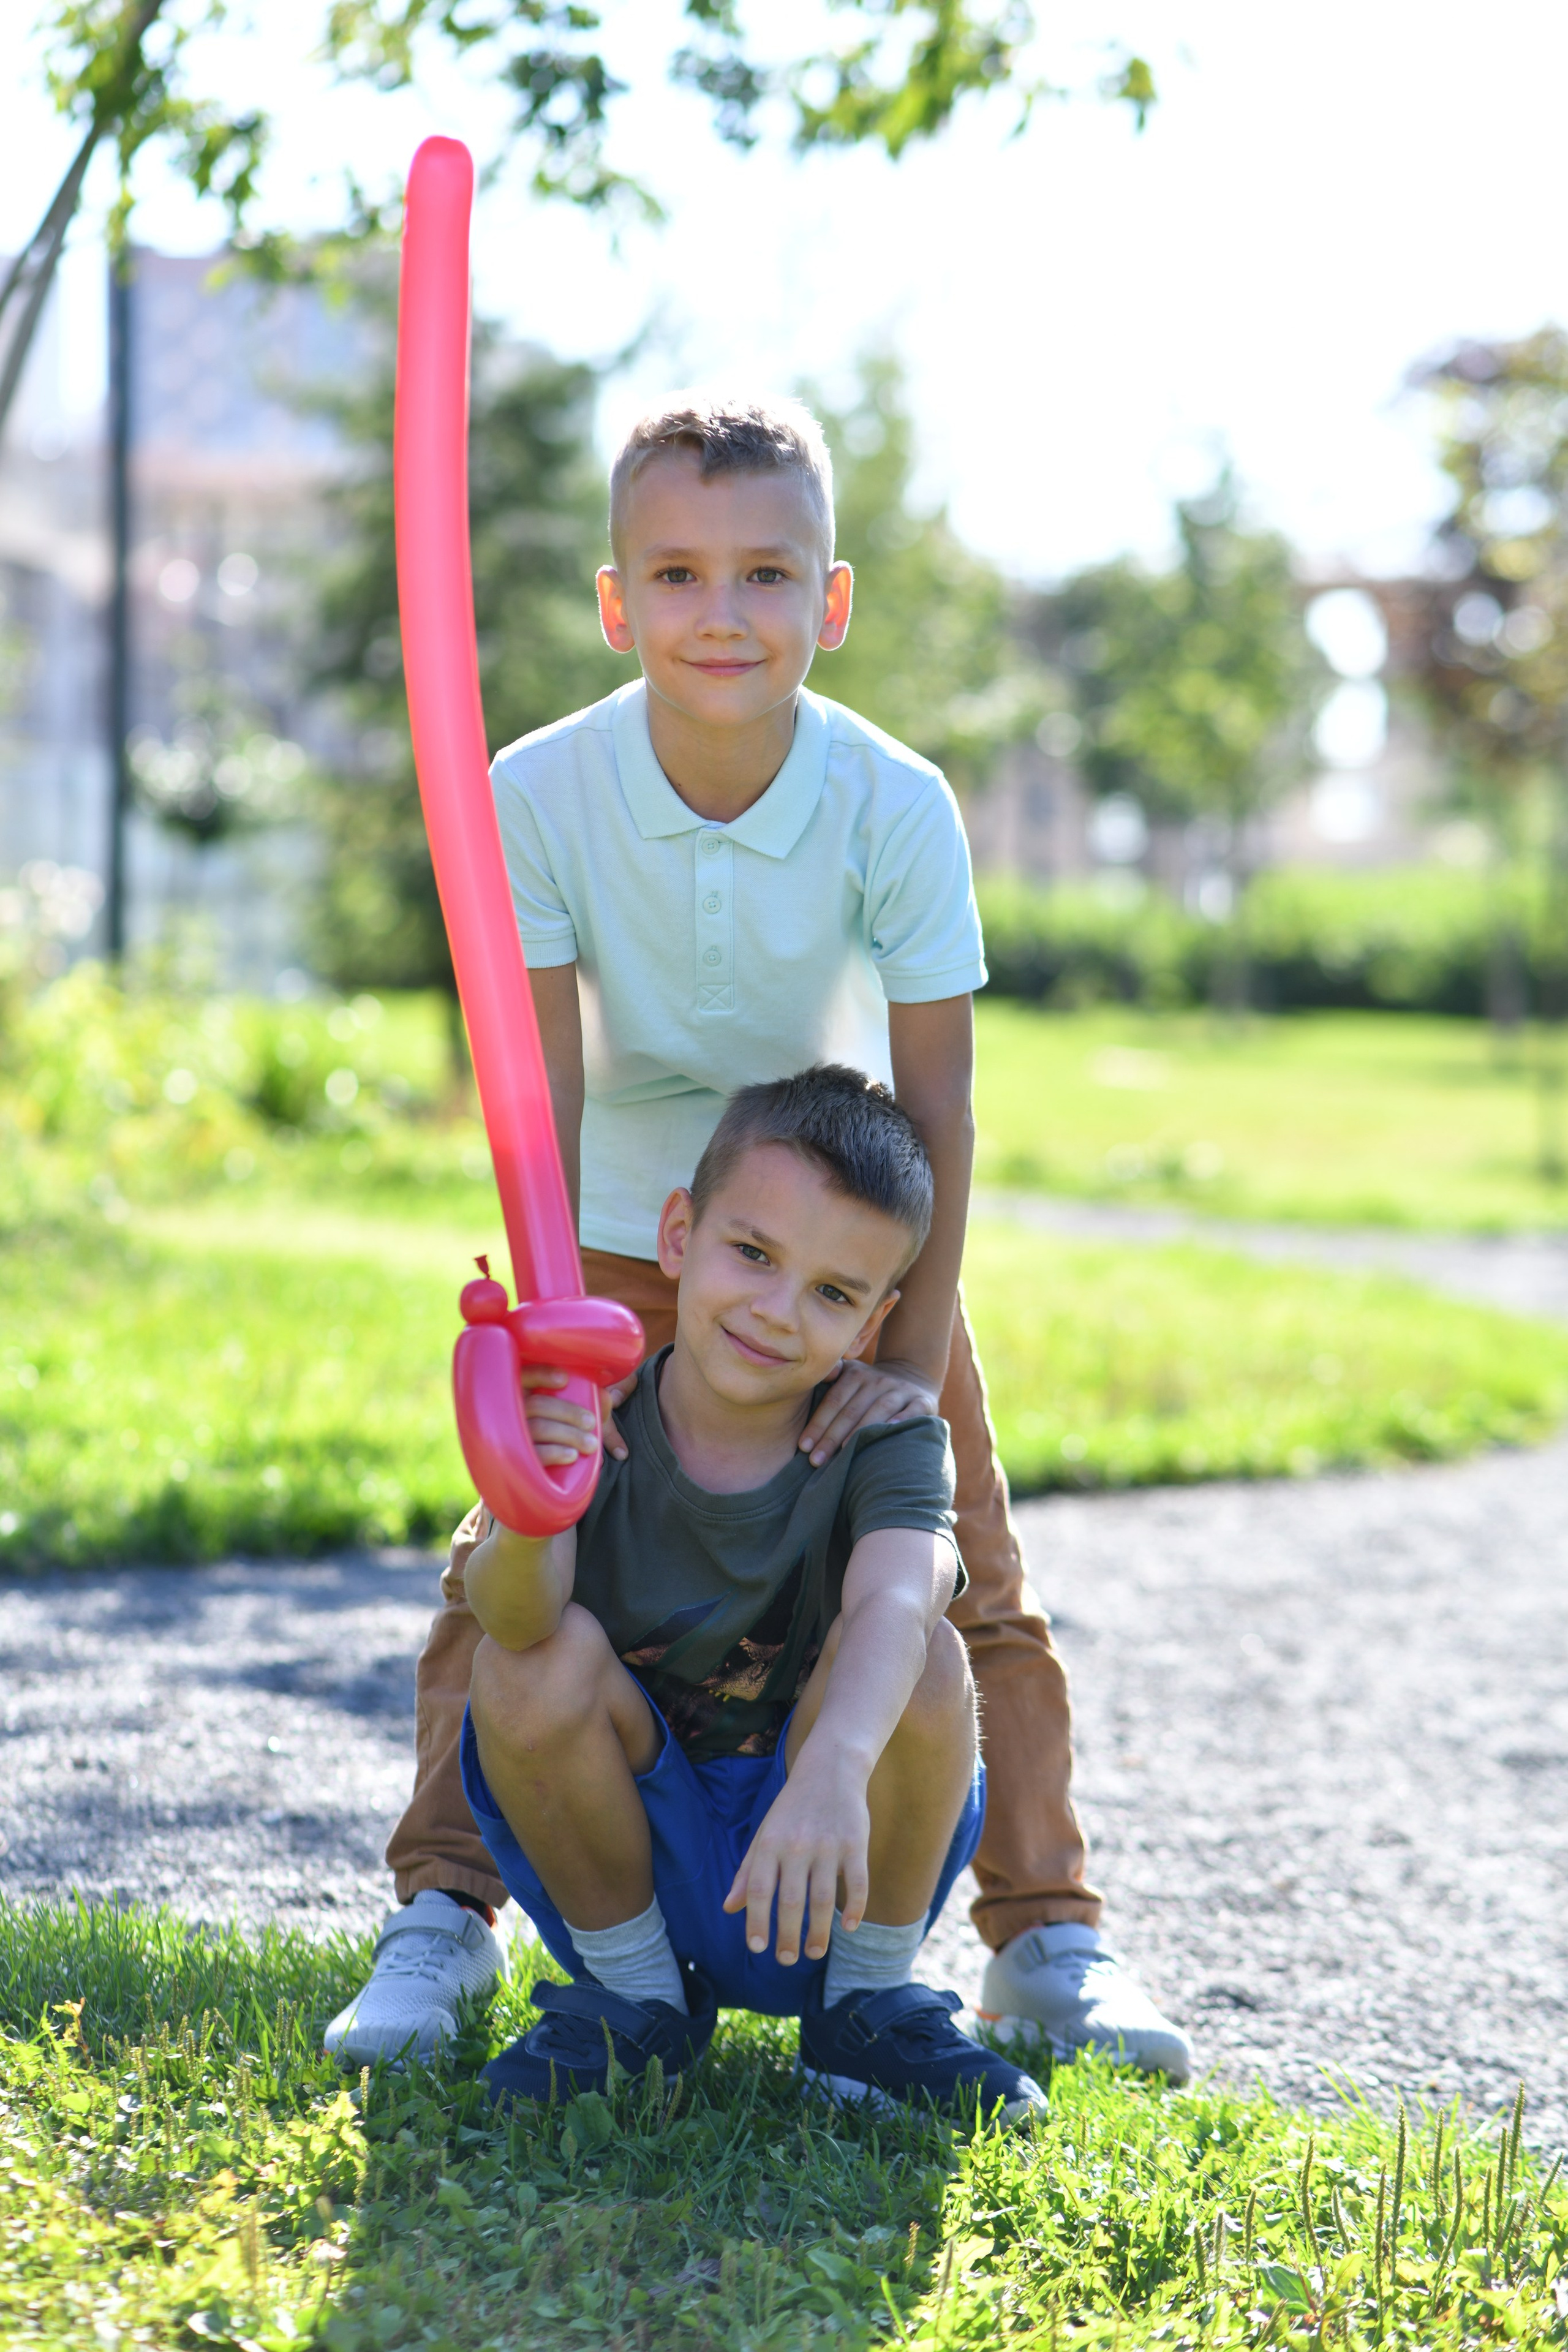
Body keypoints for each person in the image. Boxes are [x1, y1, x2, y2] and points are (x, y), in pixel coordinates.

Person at [325, 391, 1190, 2082]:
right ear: (615, 601)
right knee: (512, 1554)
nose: (723, 613)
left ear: (833, 600)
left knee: (965, 1578)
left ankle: (1046, 1937)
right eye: (679, 573)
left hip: (834, 1234)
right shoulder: (541, 792)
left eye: (767, 576)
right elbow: (540, 1076)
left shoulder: (894, 803)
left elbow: (937, 1111)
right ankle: (442, 1916)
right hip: (620, 1228)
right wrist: (558, 1321)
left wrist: (909, 1359)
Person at [457, 1067, 1045, 2118]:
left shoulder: (892, 1441)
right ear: (678, 1235)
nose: (778, 1313)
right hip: (634, 1861)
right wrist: (530, 1504)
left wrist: (834, 1769)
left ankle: (863, 2014)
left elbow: (895, 1606)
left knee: (927, 1663)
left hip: (831, 1849)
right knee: (525, 1667)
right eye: (754, 1255)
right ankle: (638, 2010)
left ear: (874, 1326)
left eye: (831, 1293)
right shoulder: (596, 1410)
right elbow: (513, 1621)